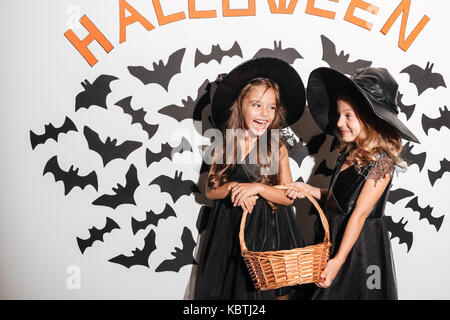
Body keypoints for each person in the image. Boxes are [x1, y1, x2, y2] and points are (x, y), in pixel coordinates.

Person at [286, 67, 420, 300]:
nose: (339, 122)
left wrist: (338, 260)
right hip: (332, 236)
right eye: (338, 114)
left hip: (359, 249)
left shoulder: (382, 164)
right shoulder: (348, 153)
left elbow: (359, 213)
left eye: (348, 115)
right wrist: (313, 190)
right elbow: (343, 201)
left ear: (369, 118)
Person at [194, 58, 306, 300]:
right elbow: (211, 190)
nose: (264, 113)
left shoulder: (276, 147)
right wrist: (235, 188)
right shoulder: (226, 144)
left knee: (269, 291)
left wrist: (257, 188)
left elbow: (287, 197)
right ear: (239, 105)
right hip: (230, 232)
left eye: (271, 107)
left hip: (270, 234)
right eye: (256, 105)